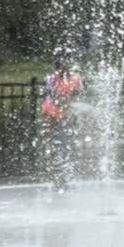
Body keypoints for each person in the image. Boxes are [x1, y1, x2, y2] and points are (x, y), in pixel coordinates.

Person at [41, 53, 84, 189]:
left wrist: (71, 103)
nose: (64, 68)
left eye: (66, 65)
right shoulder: (52, 79)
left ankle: (64, 177)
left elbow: (78, 94)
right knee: (54, 145)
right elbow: (51, 95)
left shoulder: (76, 79)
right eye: (61, 65)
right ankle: (57, 178)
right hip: (52, 113)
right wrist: (64, 102)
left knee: (66, 144)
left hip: (66, 114)